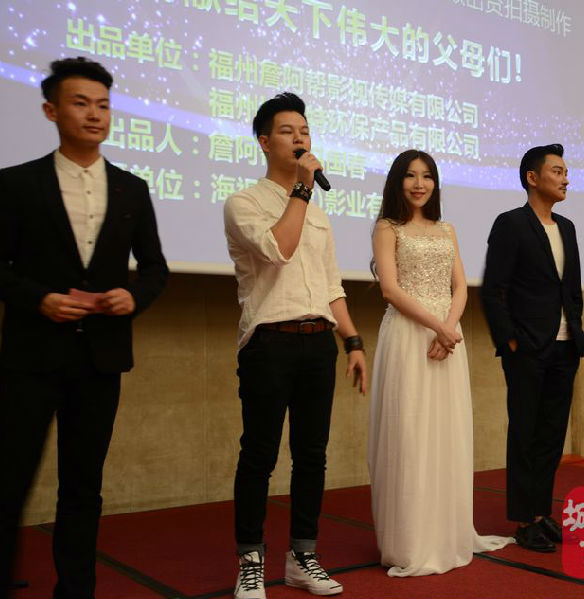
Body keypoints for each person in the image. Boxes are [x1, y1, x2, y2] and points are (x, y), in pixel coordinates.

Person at [0, 57, 169, 598]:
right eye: (81, 103)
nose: (95, 114)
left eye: (103, 105)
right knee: (8, 481)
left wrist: (134, 296)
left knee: (83, 487)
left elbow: (155, 269)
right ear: (51, 110)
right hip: (32, 355)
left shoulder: (131, 188)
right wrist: (40, 300)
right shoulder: (19, 182)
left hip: (100, 359)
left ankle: (76, 590)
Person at [223, 92, 367, 599]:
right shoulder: (243, 203)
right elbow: (278, 250)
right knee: (259, 456)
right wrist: (302, 190)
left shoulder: (320, 216)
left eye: (304, 130)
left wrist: (352, 340)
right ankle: (250, 562)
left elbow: (331, 286)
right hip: (269, 344)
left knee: (312, 456)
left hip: (317, 343)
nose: (300, 138)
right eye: (288, 131)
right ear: (264, 142)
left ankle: (303, 557)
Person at [367, 150, 513, 577]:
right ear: (397, 182)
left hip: (447, 339)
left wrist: (449, 328)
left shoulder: (447, 229)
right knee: (410, 434)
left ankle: (445, 532)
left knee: (445, 433)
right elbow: (390, 289)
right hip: (408, 337)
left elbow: (461, 286)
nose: (419, 184)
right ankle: (411, 540)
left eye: (427, 176)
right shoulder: (387, 227)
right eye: (411, 176)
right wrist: (438, 327)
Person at [481, 143, 584, 553]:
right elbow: (494, 290)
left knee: (551, 436)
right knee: (525, 434)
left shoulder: (568, 228)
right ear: (532, 177)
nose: (566, 179)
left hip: (565, 346)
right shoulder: (511, 223)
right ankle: (524, 520)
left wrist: (575, 326)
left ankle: (542, 512)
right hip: (527, 348)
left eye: (566, 172)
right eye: (557, 171)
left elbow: (572, 288)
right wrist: (510, 340)